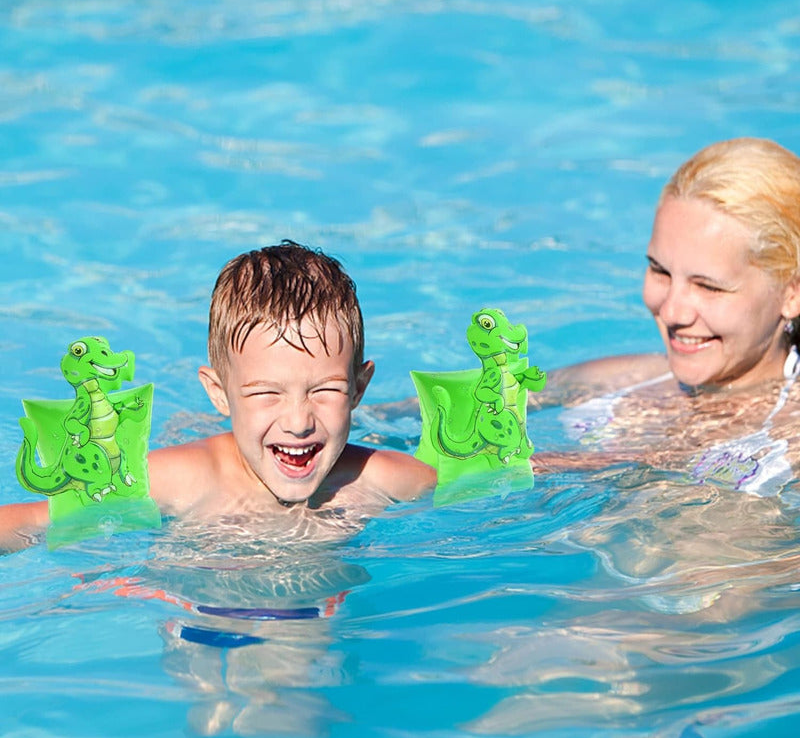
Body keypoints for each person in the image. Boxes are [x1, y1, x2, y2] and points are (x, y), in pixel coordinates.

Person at [0, 241, 436, 549]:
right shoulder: (185, 480)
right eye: (266, 393)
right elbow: (34, 520)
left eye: (325, 390)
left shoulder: (388, 480)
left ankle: (392, 413)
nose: (299, 421)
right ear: (218, 392)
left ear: (358, 388)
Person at [531, 137, 800, 495]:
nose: (672, 311)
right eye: (660, 271)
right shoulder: (628, 380)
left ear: (792, 293)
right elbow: (452, 402)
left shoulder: (790, 446)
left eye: (708, 287)